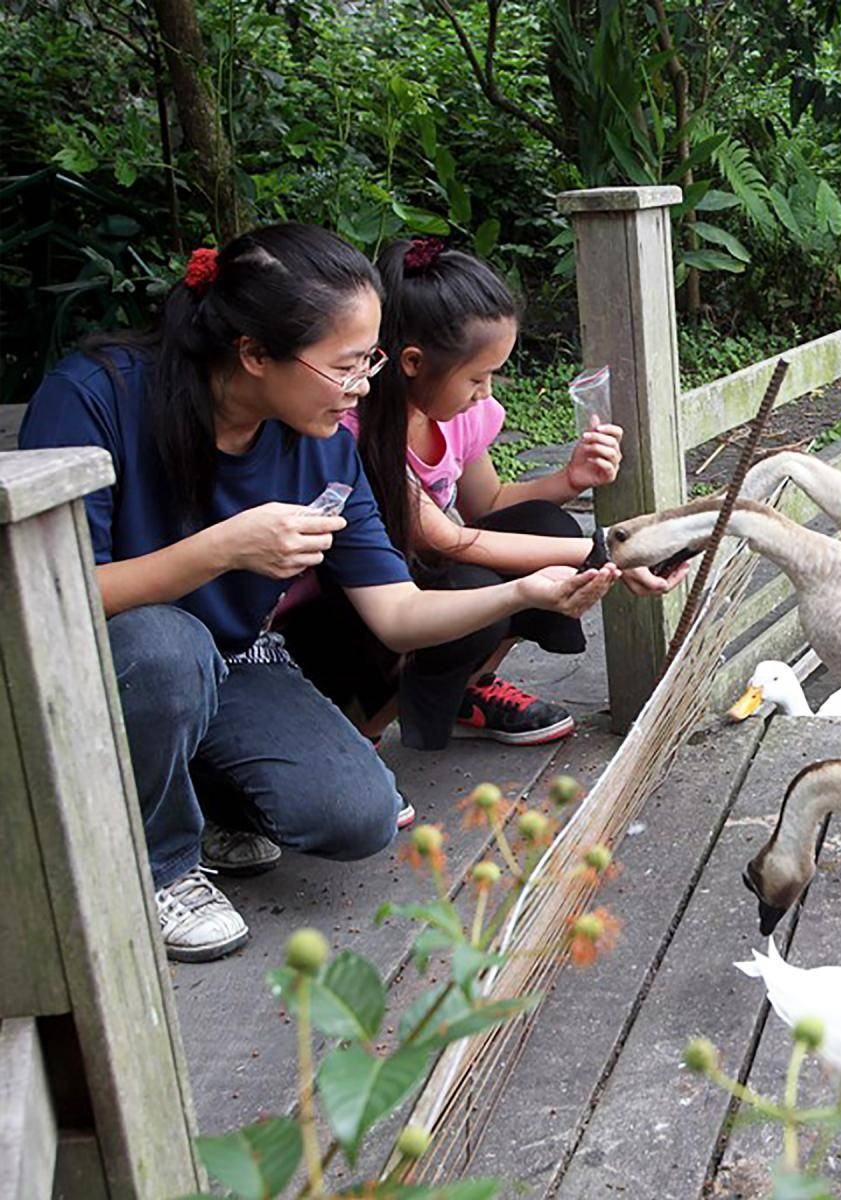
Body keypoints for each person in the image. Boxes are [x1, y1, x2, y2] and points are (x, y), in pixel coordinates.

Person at [20, 224, 616, 962]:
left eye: (369, 359)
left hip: (237, 661)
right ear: (255, 355)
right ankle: (159, 867)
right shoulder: (96, 397)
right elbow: (50, 597)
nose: (365, 386)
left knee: (359, 816)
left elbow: (395, 615)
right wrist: (222, 548)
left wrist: (525, 592)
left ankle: (200, 800)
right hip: (104, 665)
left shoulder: (326, 435)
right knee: (164, 644)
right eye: (346, 365)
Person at [277, 237, 684, 752]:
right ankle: (362, 735)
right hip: (342, 618)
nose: (486, 393)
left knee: (546, 523)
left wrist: (569, 480)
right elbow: (445, 539)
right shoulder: (351, 432)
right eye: (477, 377)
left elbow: (487, 505)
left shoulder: (463, 415)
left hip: (414, 584)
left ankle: (468, 691)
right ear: (411, 362)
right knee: (470, 583)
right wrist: (609, 552)